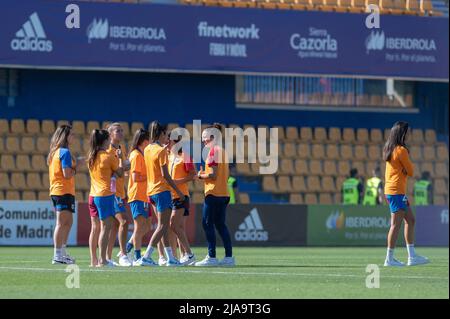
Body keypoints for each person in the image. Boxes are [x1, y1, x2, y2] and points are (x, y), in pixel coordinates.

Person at [138, 121, 186, 267]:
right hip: (162, 191)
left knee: (162, 226)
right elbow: (166, 175)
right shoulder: (161, 151)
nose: (167, 137)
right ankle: (146, 256)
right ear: (161, 133)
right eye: (166, 133)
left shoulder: (147, 149)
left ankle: (170, 258)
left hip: (150, 191)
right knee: (162, 226)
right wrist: (178, 192)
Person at [383, 121, 429, 267]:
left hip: (394, 190)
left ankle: (412, 256)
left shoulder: (389, 148)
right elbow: (411, 171)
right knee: (395, 225)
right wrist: (405, 168)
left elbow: (405, 170)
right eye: (408, 131)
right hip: (396, 190)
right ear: (402, 133)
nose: (409, 134)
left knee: (410, 220)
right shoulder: (401, 150)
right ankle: (389, 259)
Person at [195, 123, 235, 267]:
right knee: (220, 225)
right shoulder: (223, 151)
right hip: (224, 193)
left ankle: (211, 257)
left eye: (205, 138)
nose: (203, 141)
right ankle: (229, 257)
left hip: (214, 193)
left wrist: (200, 175)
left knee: (207, 223)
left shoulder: (213, 151)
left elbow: (213, 174)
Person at [87, 129, 124, 267]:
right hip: (105, 195)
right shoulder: (108, 156)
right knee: (105, 227)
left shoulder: (91, 156)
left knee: (95, 228)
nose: (110, 142)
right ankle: (103, 260)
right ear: (105, 141)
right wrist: (120, 157)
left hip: (92, 195)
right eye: (108, 139)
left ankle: (93, 260)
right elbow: (120, 173)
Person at [48, 125, 77, 265]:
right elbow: (67, 174)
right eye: (71, 134)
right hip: (62, 190)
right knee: (61, 223)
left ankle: (62, 253)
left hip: (61, 190)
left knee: (68, 222)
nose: (74, 137)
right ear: (65, 136)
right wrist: (76, 168)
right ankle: (57, 254)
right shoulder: (64, 152)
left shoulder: (55, 152)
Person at [105, 123, 132, 267]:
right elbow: (111, 171)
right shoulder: (108, 150)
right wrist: (121, 167)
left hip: (120, 191)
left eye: (122, 130)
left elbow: (125, 167)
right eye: (117, 131)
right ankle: (123, 254)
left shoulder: (121, 149)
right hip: (112, 191)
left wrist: (123, 166)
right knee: (124, 221)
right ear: (110, 134)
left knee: (115, 226)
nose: (121, 133)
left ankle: (108, 257)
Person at [167, 135, 197, 265]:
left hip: (181, 195)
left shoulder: (184, 156)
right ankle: (181, 256)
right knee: (178, 227)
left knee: (174, 225)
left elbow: (192, 175)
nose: (167, 143)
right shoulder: (168, 156)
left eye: (169, 141)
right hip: (170, 195)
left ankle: (189, 254)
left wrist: (176, 182)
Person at [126, 129, 151, 265]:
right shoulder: (136, 155)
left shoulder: (141, 155)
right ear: (144, 141)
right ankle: (136, 256)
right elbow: (135, 177)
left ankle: (127, 248)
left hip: (143, 195)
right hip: (136, 194)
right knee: (139, 225)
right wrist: (150, 176)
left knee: (146, 226)